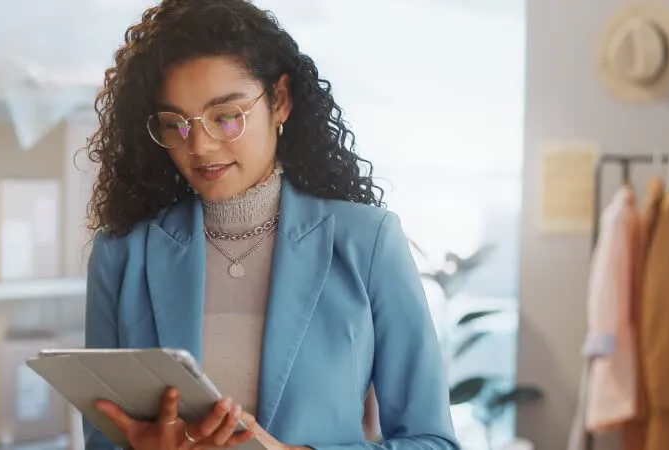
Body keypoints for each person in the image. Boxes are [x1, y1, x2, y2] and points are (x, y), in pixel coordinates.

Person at [82, 1, 459, 449]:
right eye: (175, 123)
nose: (199, 145)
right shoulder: (122, 254)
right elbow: (103, 440)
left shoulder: (368, 243)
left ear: (279, 101)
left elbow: (433, 441)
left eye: (226, 116)